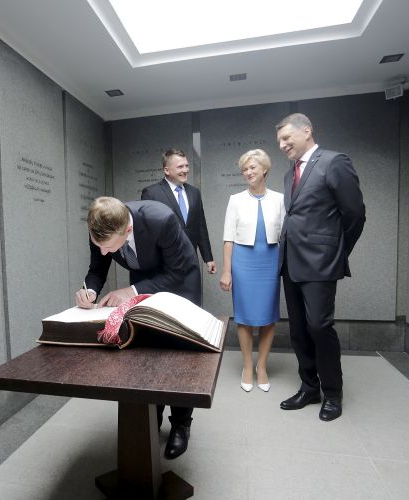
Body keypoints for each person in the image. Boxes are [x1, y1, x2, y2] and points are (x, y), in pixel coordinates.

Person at [75, 196, 201, 458]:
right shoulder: (101, 228)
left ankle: (181, 424)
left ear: (128, 229)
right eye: (99, 245)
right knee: (148, 353)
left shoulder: (162, 219)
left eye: (109, 247)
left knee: (178, 357)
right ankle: (152, 415)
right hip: (143, 281)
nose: (104, 252)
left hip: (180, 281)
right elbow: (97, 268)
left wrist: (130, 291)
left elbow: (177, 272)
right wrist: (90, 291)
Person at [275, 113, 365, 421]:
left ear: (307, 131)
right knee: (298, 330)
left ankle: (333, 393)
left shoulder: (333, 161)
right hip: (291, 262)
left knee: (319, 327)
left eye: (287, 138)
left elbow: (355, 213)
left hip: (320, 263)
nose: (282, 145)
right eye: (279, 141)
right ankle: (309, 387)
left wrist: (336, 252)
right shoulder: (290, 174)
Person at [219, 150, 285, 393]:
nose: (248, 172)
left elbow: (286, 235)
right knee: (245, 316)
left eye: (252, 167)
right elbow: (228, 238)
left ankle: (262, 367)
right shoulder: (235, 199)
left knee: (268, 316)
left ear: (264, 169)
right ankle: (247, 366)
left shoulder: (280, 199)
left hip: (270, 262)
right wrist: (227, 271)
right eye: (244, 169)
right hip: (243, 263)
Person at [141, 148, 217, 283]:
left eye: (186, 165)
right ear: (167, 170)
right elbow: (147, 232)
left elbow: (200, 227)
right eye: (180, 166)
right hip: (163, 265)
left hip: (190, 262)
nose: (186, 170)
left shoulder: (194, 193)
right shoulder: (151, 193)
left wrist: (208, 258)